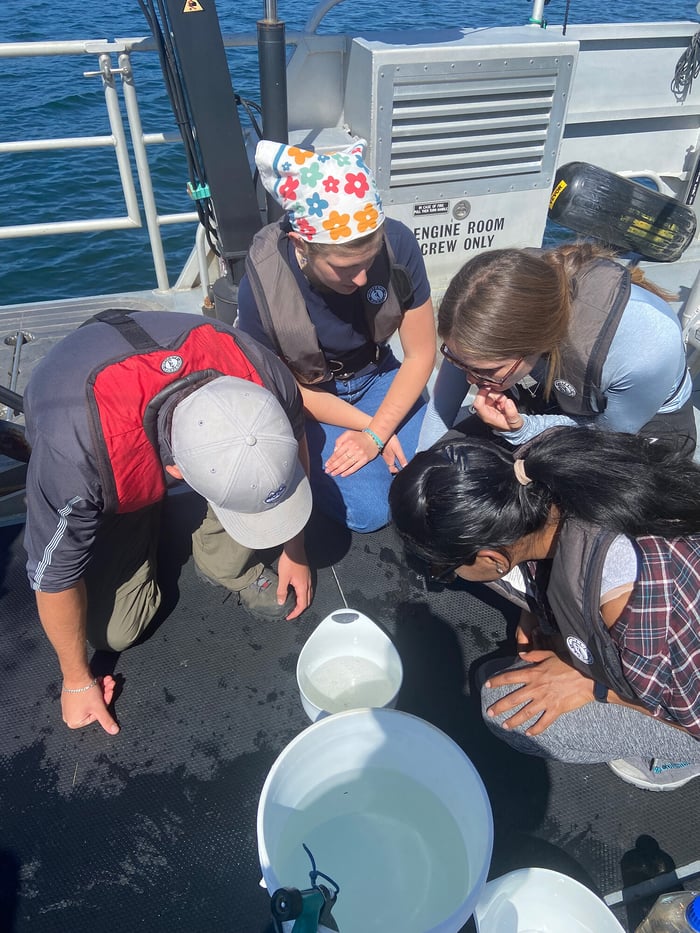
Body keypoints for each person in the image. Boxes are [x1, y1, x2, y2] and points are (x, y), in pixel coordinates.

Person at [23, 309, 314, 735]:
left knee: (245, 487)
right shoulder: (75, 455)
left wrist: (295, 548)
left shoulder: (262, 372)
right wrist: (76, 681)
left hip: (153, 415)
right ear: (178, 473)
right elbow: (53, 574)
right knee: (115, 632)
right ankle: (135, 515)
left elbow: (293, 448)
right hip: (102, 433)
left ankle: (223, 563)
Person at [388, 426, 700, 790]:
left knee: (506, 708)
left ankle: (679, 758)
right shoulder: (534, 473)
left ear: (492, 558)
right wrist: (536, 610)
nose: (444, 575)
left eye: (444, 569)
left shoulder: (641, 609)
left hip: (689, 701)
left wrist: (594, 687)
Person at [236, 137, 436, 532]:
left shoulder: (399, 244)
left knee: (433, 475)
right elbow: (284, 390)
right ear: (302, 245)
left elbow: (420, 354)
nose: (361, 279)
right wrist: (372, 430)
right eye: (344, 268)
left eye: (368, 262)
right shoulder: (260, 286)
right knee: (370, 511)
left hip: (378, 376)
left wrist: (375, 434)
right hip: (312, 396)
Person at [417, 243, 696, 456]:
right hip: (560, 394)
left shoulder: (647, 347)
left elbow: (607, 436)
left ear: (538, 344)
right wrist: (422, 459)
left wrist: (524, 431)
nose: (471, 379)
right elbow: (445, 403)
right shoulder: (505, 300)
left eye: (486, 371)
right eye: (459, 361)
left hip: (635, 426)